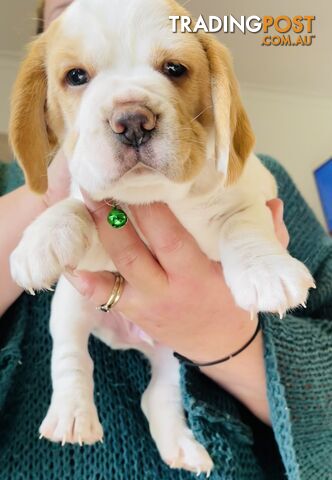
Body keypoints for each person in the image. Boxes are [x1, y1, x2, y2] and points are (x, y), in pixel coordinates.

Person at [0, 1, 331, 478]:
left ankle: (167, 411)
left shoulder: (252, 174)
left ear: (214, 90)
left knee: (168, 376)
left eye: (173, 68)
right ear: (43, 101)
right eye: (78, 75)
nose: (130, 117)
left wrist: (223, 338)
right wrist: (49, 199)